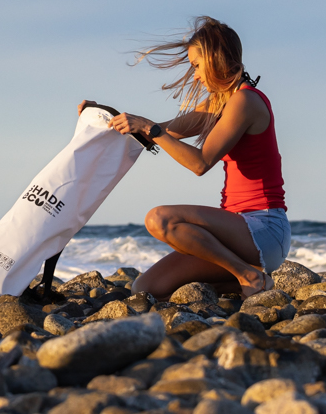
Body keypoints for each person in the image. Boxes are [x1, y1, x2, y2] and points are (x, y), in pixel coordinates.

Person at [80, 16, 289, 299]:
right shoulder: (219, 102)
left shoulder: (245, 101)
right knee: (146, 289)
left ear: (214, 59)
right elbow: (165, 131)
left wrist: (149, 128)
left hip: (263, 229)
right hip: (237, 233)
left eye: (196, 66)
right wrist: (103, 116)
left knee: (159, 220)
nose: (195, 76)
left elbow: (199, 163)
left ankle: (245, 274)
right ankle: (252, 279)